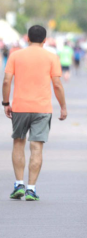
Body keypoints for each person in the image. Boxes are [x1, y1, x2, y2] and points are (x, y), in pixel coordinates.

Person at [2, 25, 67, 201]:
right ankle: (31, 189)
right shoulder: (52, 57)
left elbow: (7, 81)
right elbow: (57, 85)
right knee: (36, 147)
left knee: (18, 143)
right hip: (42, 109)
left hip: (20, 107)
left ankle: (18, 185)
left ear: (28, 38)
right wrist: (63, 106)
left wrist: (6, 103)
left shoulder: (15, 55)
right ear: (45, 40)